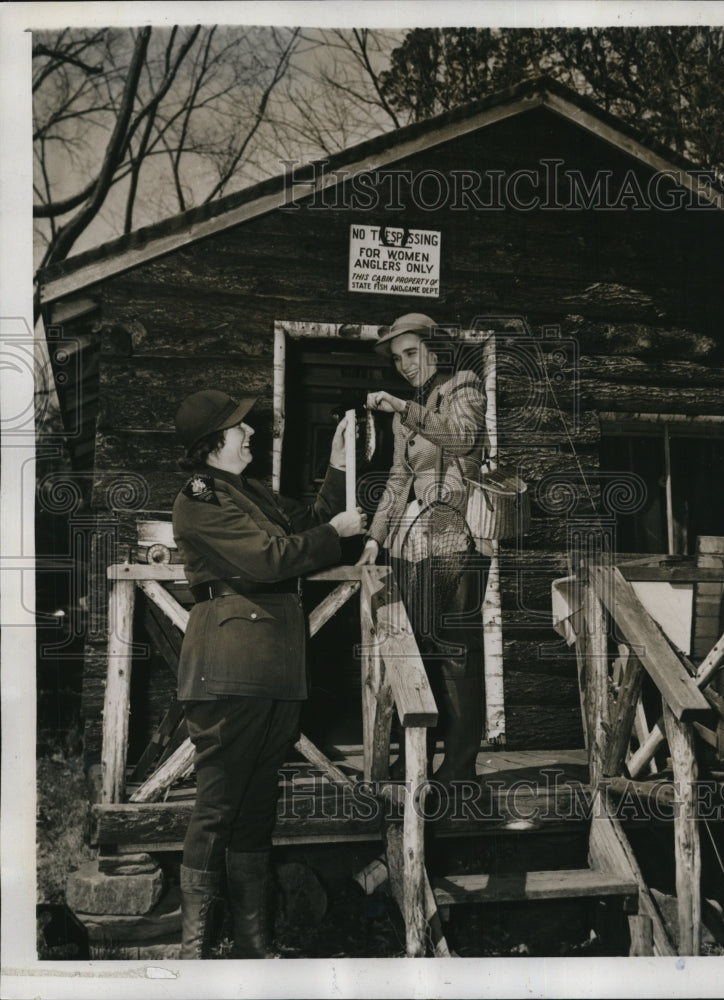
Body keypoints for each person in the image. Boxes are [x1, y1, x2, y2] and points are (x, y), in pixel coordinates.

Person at [172, 389, 366, 959]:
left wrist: (336, 466)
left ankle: (255, 949)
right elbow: (270, 557)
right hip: (229, 670)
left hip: (275, 671)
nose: (250, 432)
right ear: (212, 444)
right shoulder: (201, 497)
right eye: (239, 427)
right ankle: (194, 955)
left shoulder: (247, 491)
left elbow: (305, 523)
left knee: (256, 813)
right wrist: (340, 532)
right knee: (216, 810)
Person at [356, 313, 491, 790]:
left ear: (434, 349)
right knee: (420, 652)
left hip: (459, 536)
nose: (404, 365)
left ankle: (460, 769)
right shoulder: (409, 407)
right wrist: (375, 538)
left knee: (456, 654)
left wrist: (402, 408)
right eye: (397, 358)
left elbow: (462, 438)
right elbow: (399, 479)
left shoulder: (465, 387)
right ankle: (416, 760)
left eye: (411, 353)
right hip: (417, 542)